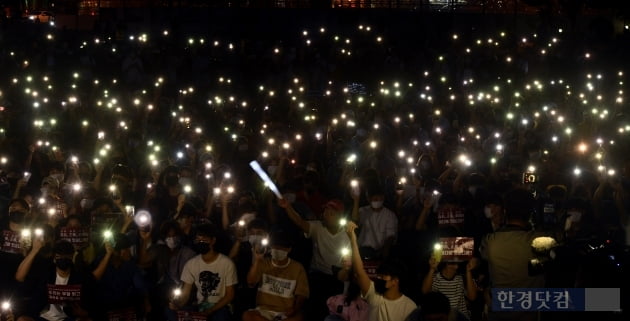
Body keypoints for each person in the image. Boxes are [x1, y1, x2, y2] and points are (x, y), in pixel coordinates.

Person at [479, 189, 547, 321]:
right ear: (530, 213)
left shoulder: (490, 241)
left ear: (505, 211)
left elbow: (484, 254)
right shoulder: (542, 241)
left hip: (499, 312)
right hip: (530, 312)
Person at [278, 197, 350, 320]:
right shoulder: (317, 227)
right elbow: (300, 221)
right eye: (325, 212)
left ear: (339, 216)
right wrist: (287, 207)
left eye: (331, 213)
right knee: (314, 302)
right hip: (317, 274)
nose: (326, 215)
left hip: (337, 276)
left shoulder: (348, 233)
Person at [345, 221, 416, 321]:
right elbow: (359, 272)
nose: (378, 278)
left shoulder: (409, 307)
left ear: (395, 281)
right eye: (378, 276)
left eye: (383, 277)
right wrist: (353, 240)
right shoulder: (375, 295)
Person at [169, 223, 237, 321]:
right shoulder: (191, 264)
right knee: (170, 312)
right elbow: (185, 294)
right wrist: (177, 304)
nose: (200, 242)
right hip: (201, 306)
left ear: (213, 240)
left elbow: (230, 295)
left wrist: (211, 310)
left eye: (204, 239)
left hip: (221, 307)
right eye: (198, 239)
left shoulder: (226, 263)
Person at [14, 240, 96, 320]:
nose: (63, 259)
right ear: (54, 258)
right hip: (43, 316)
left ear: (72, 257)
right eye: (59, 256)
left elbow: (93, 304)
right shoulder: (45, 273)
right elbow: (19, 277)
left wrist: (84, 313)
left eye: (66, 257)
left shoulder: (81, 277)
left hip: (68, 318)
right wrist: (34, 250)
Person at [243, 230, 309, 321]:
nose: (277, 250)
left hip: (285, 312)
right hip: (263, 310)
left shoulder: (297, 268)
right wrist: (257, 260)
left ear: (289, 249)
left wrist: (295, 309)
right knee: (247, 316)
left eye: (281, 248)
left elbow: (302, 294)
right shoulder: (263, 263)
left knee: (299, 317)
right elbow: (250, 282)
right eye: (275, 247)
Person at [351, 187, 398, 259]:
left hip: (378, 252)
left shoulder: (390, 215)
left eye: (379, 199)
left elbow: (391, 236)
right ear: (368, 199)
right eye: (375, 199)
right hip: (361, 250)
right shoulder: (363, 211)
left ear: (383, 198)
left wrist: (385, 252)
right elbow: (354, 220)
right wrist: (356, 200)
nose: (377, 201)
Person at [404, 292, 469, 321]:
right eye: (430, 320)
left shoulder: (457, 317)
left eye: (439, 319)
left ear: (448, 314)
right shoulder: (415, 317)